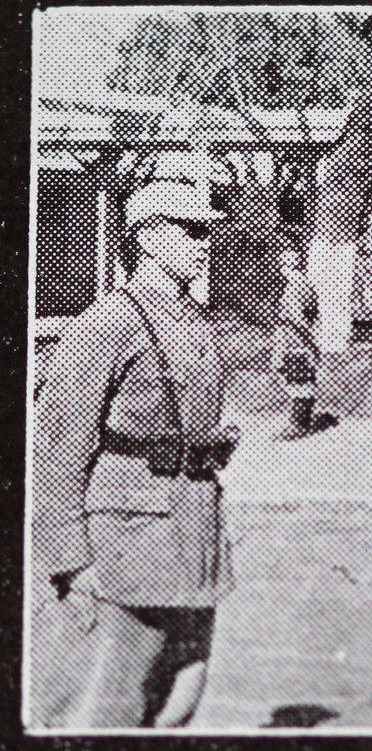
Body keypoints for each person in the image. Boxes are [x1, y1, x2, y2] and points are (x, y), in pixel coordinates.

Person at [30, 179, 239, 728]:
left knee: (179, 700)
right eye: (192, 231)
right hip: (127, 540)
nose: (205, 241)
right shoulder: (109, 321)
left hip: (192, 533)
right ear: (148, 238)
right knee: (110, 706)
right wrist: (71, 560)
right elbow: (57, 445)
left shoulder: (195, 321)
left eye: (207, 231)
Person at [273, 248, 337, 439]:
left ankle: (298, 426)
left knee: (297, 384)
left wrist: (308, 340)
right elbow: (312, 314)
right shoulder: (307, 284)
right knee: (304, 382)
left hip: (294, 342)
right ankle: (304, 422)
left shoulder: (293, 286)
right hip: (302, 342)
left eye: (283, 263)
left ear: (289, 264)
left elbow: (297, 319)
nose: (280, 268)